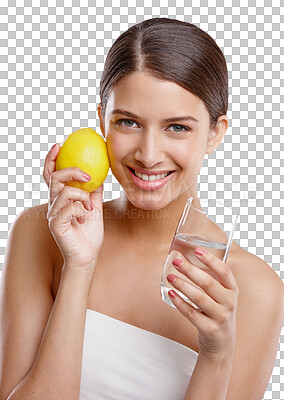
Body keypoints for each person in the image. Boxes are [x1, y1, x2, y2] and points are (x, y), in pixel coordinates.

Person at [0, 17, 283, 400]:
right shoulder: (40, 234)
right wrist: (78, 269)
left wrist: (216, 355)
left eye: (177, 127)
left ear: (215, 132)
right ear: (103, 120)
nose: (148, 155)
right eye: (129, 122)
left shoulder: (253, 290)